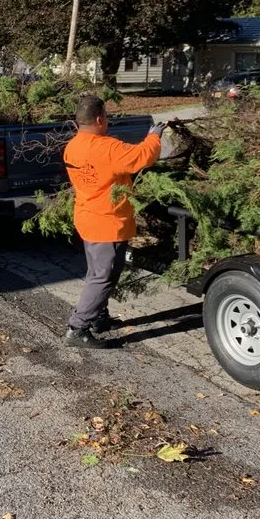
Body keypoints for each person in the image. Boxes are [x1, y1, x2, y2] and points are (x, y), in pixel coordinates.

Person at [62, 94, 166, 348]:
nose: (107, 121)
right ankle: (77, 328)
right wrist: (154, 135)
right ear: (99, 119)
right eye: (106, 117)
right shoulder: (107, 148)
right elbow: (143, 156)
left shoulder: (72, 147)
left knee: (97, 272)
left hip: (88, 219)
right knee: (103, 276)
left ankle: (98, 317)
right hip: (107, 223)